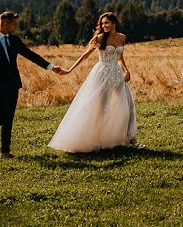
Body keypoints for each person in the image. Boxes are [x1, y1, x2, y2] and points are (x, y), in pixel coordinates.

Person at [0, 10, 65, 160]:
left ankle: (5, 152)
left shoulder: (14, 40)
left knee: (9, 118)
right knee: (2, 117)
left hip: (13, 85)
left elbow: (30, 55)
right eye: (13, 24)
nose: (16, 27)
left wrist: (51, 67)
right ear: (4, 23)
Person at [48, 11, 143, 152]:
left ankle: (131, 139)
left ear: (114, 23)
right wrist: (69, 70)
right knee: (101, 108)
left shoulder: (122, 37)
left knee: (127, 106)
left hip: (117, 74)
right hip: (102, 73)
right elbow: (85, 55)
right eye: (102, 23)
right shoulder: (99, 38)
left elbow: (120, 57)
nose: (104, 25)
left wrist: (126, 70)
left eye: (107, 23)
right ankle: (96, 140)